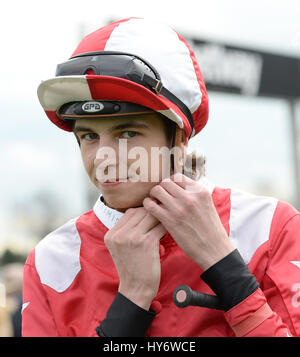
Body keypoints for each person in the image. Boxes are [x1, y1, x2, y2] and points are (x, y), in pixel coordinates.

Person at [22, 17, 300, 337]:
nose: (103, 157)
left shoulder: (271, 227)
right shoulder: (49, 261)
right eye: (88, 136)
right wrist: (131, 301)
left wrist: (227, 269)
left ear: (179, 139)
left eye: (127, 132)